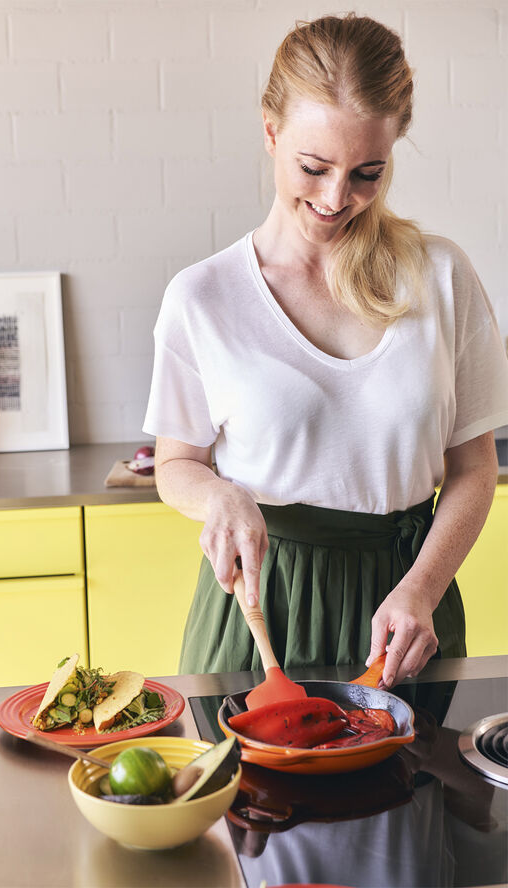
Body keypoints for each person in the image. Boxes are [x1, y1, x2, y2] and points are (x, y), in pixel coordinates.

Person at [143, 13, 508, 687]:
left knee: (417, 794)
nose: (338, 198)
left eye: (369, 171)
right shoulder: (204, 296)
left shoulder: (443, 276)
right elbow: (176, 464)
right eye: (314, 167)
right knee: (249, 795)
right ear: (271, 132)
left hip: (405, 609)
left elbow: (473, 471)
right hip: (261, 609)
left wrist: (423, 588)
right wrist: (218, 496)